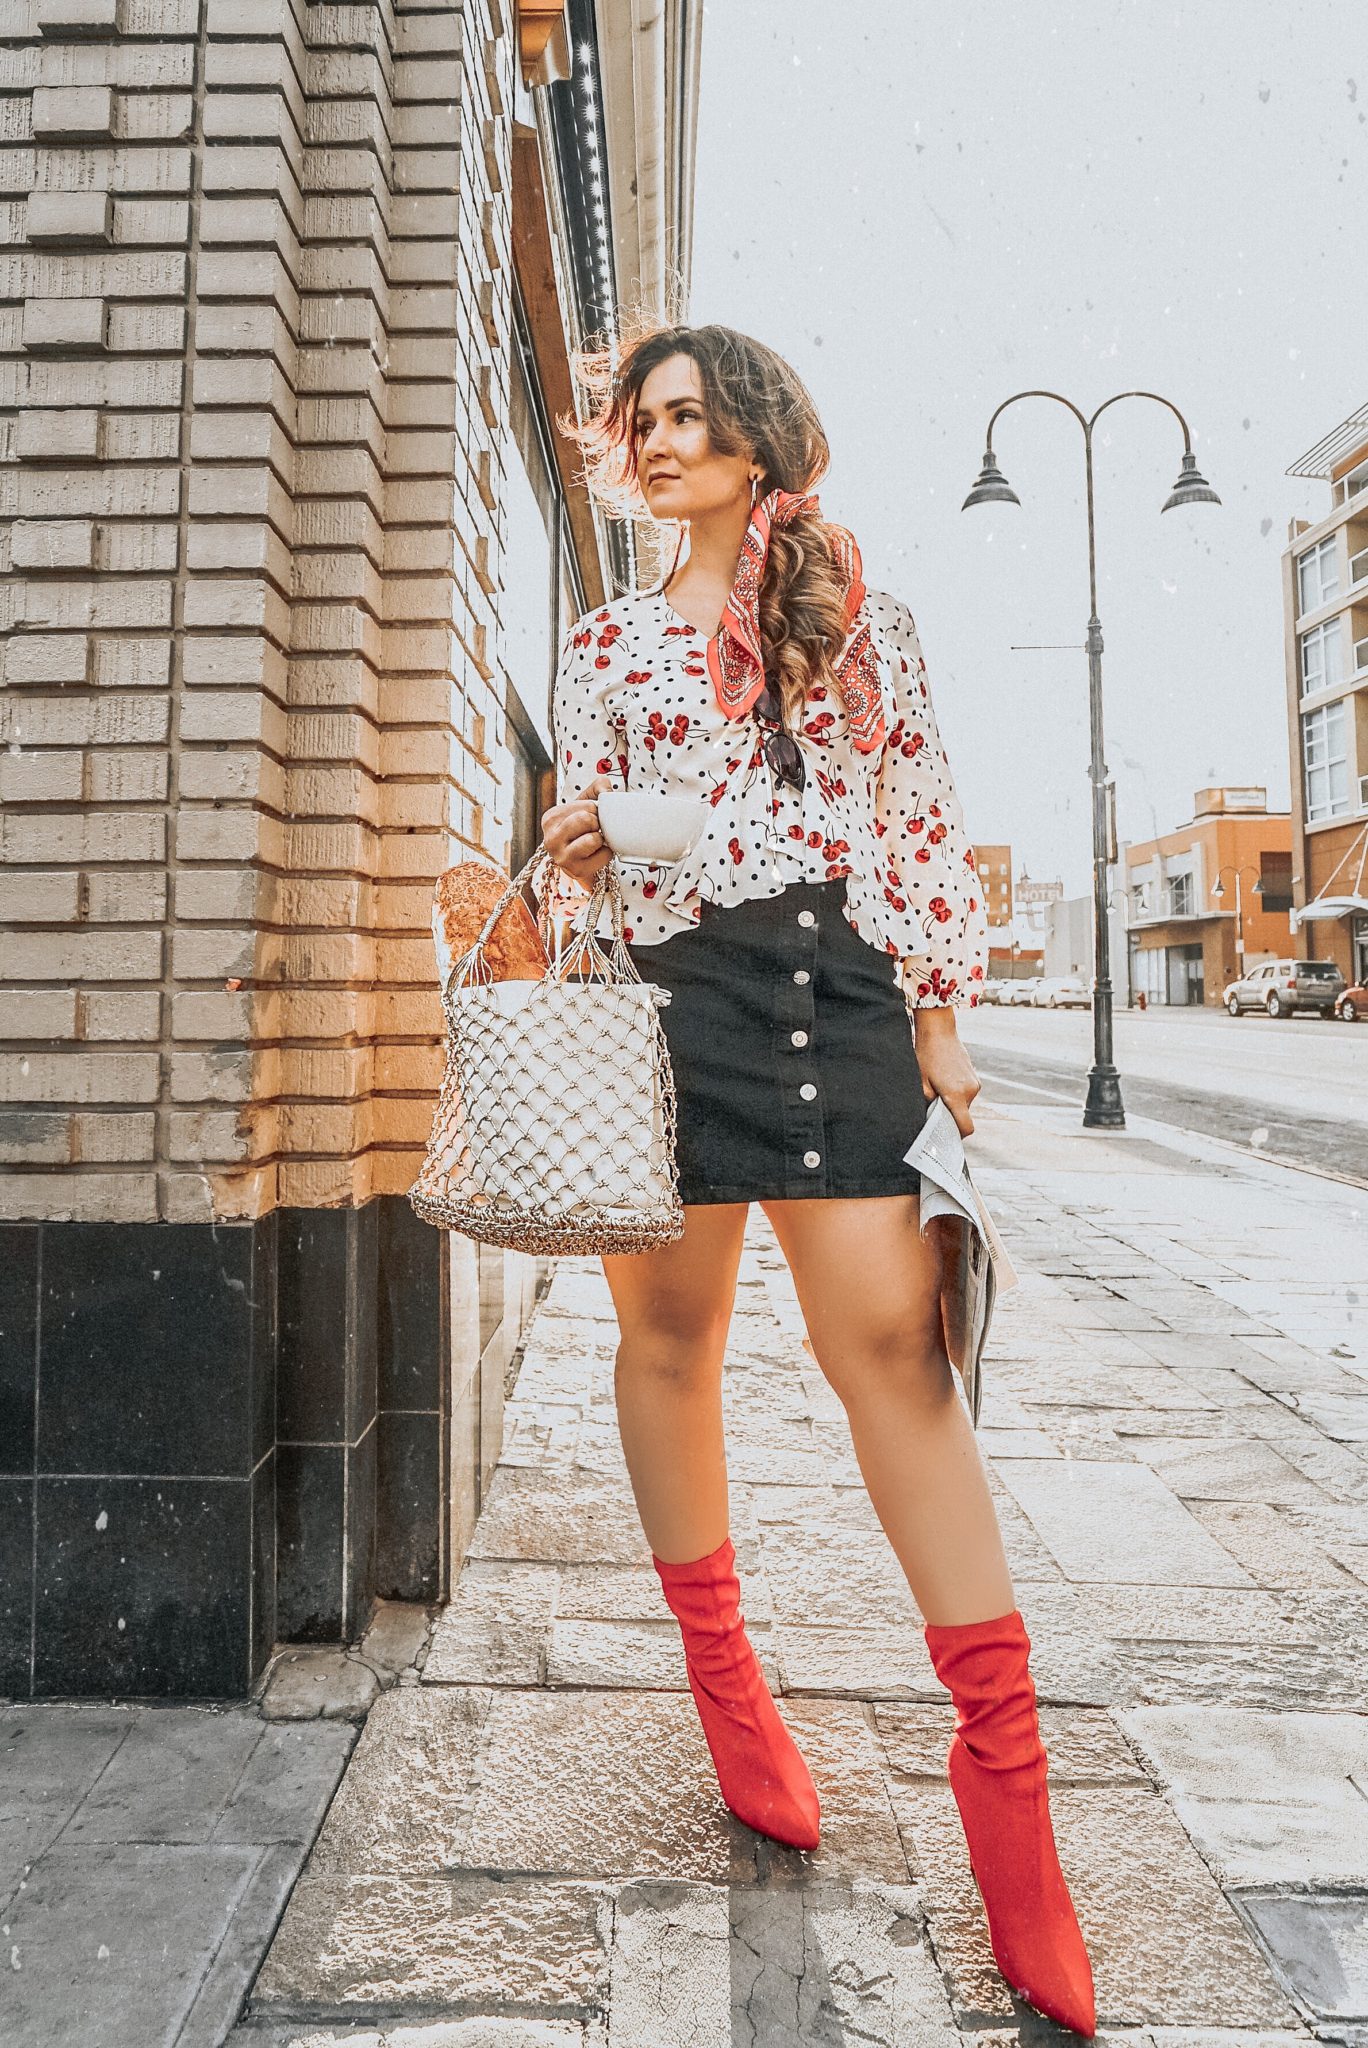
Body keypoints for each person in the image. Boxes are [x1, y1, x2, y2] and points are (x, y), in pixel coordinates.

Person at [539, 320, 1096, 2040]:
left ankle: (1010, 1788)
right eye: (644, 421)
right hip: (669, 1002)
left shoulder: (863, 624)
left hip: (840, 997)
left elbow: (915, 816)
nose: (662, 443)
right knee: (672, 1345)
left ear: (763, 439)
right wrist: (575, 844)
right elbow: (593, 848)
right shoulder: (605, 641)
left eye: (695, 418)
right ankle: (730, 1692)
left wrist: (940, 1027)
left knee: (896, 1361)